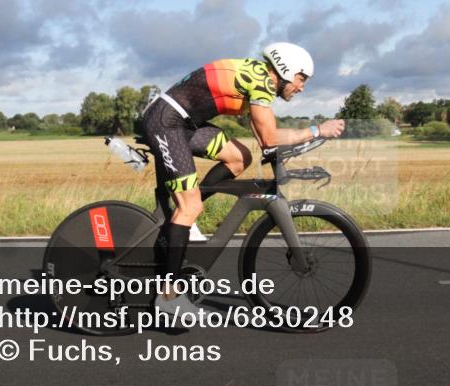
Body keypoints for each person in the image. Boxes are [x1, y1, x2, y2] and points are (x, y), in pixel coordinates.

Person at [141, 42, 345, 316]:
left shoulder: (261, 80)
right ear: (285, 70)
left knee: (239, 158)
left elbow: (266, 138)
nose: (301, 87)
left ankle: (183, 220)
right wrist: (317, 130)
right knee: (189, 207)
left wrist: (298, 140)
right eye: (301, 78)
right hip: (167, 122)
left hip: (185, 123)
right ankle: (168, 299)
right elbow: (271, 138)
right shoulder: (259, 82)